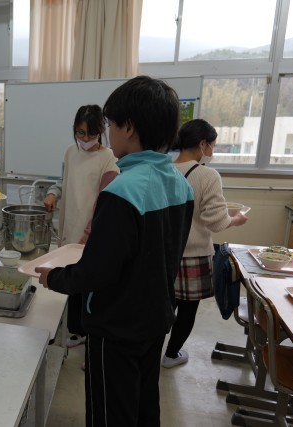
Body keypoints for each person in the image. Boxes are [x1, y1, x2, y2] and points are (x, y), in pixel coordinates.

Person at [35, 75, 194, 427]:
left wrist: (54, 278)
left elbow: (98, 271)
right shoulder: (181, 186)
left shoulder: (123, 190)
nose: (107, 133)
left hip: (117, 325)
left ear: (129, 127)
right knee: (144, 405)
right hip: (155, 317)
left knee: (110, 413)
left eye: (110, 124)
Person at [161, 119, 248, 368]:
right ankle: (171, 355)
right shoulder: (207, 175)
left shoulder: (162, 169)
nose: (212, 151)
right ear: (202, 144)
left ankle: (150, 351)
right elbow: (217, 222)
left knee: (162, 308)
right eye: (212, 146)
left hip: (162, 255)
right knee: (187, 312)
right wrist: (237, 219)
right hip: (193, 256)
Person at [42, 105, 118, 349]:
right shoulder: (70, 151)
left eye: (91, 133)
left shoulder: (108, 159)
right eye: (80, 132)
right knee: (70, 279)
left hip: (90, 231)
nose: (85, 139)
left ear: (102, 130)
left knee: (85, 282)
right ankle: (74, 327)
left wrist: (88, 234)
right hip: (69, 226)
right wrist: (53, 193)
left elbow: (104, 201)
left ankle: (82, 331)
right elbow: (62, 181)